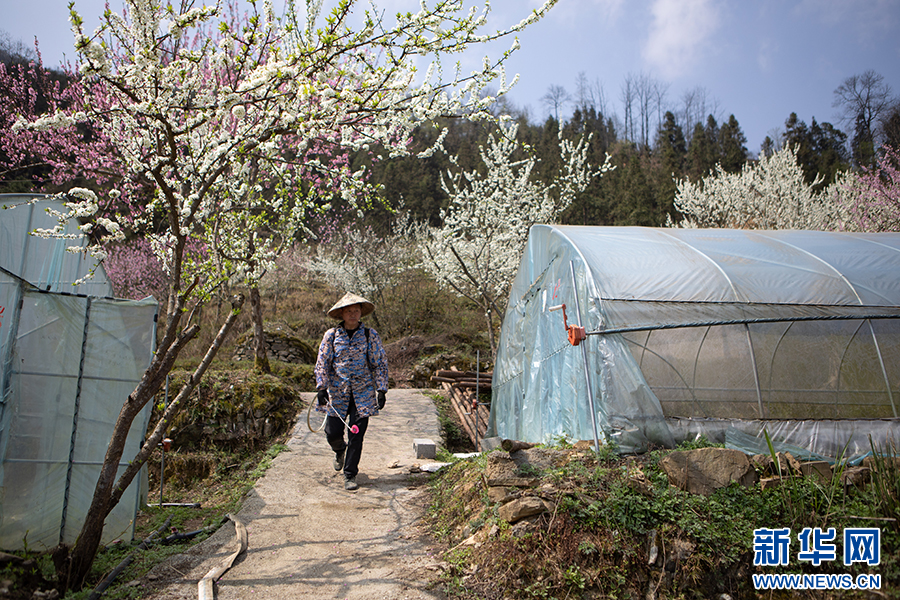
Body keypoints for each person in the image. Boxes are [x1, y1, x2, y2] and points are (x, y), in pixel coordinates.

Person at [314, 292, 389, 490]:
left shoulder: (369, 335)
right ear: (342, 314)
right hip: (337, 393)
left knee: (357, 434)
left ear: (360, 313)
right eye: (349, 311)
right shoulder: (331, 336)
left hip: (362, 393)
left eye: (356, 311)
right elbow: (323, 361)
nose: (353, 314)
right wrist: (321, 387)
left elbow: (379, 362)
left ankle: (350, 475)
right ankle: (339, 450)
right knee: (332, 432)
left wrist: (381, 389)